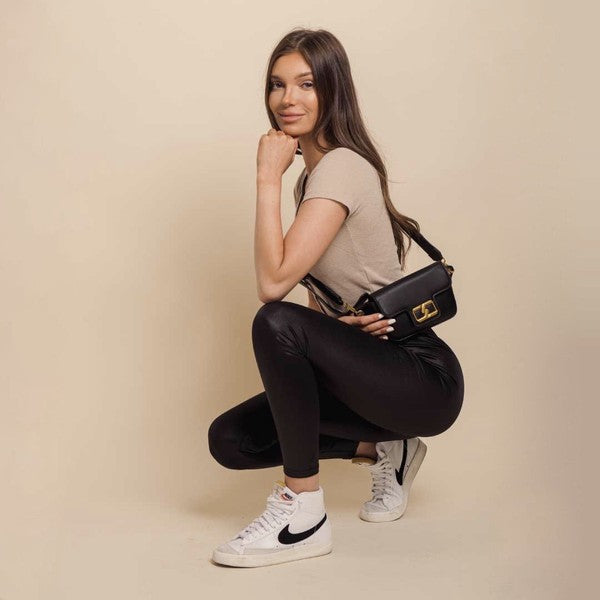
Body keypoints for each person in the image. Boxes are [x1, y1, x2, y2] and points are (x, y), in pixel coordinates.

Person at [208, 28, 464, 568]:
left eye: (306, 83)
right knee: (230, 439)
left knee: (273, 317)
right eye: (277, 84)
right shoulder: (310, 181)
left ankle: (303, 515)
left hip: (419, 376)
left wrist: (265, 179)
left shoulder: (342, 167)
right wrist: (333, 331)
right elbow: (312, 309)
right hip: (368, 377)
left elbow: (273, 285)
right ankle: (385, 447)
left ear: (333, 90)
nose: (287, 99)